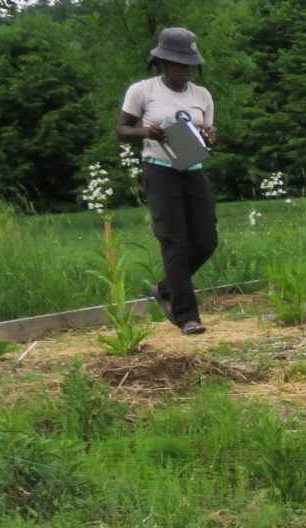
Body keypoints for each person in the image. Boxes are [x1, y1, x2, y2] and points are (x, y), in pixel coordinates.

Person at [116, 27, 219, 336]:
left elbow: (209, 133)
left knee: (206, 241)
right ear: (164, 62)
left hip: (191, 166)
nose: (187, 70)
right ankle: (187, 317)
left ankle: (166, 288)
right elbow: (122, 130)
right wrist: (146, 132)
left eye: (191, 64)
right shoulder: (142, 90)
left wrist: (209, 134)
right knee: (174, 241)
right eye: (180, 64)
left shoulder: (202, 95)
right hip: (159, 170)